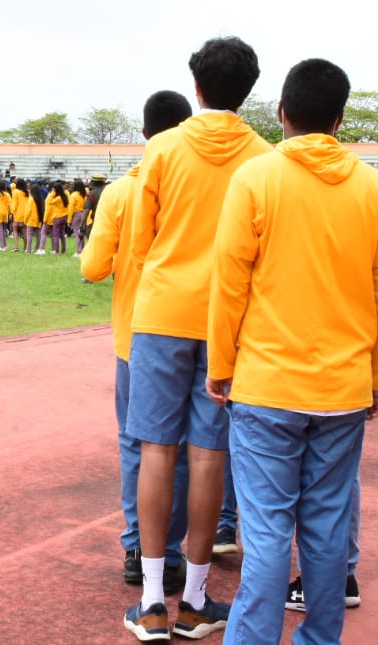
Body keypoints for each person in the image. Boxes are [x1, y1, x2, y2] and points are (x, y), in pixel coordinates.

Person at [208, 59, 378, 645]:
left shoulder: (256, 178)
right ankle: (320, 636)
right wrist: (375, 379)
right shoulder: (375, 189)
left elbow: (230, 281)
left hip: (267, 383)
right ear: (339, 118)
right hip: (342, 389)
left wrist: (220, 365)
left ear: (281, 112)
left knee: (267, 530)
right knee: (326, 525)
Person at [123, 36, 271, 641]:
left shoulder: (162, 148)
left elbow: (140, 244)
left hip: (162, 310)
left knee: (156, 449)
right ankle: (195, 599)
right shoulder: (263, 157)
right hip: (227, 319)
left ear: (197, 86)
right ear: (249, 90)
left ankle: (151, 601)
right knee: (211, 455)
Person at [82, 89, 193, 599]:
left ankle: (139, 548)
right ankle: (180, 547)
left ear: (145, 134)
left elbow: (93, 267)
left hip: (138, 333)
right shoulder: (207, 184)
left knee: (139, 443)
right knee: (195, 446)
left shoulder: (124, 190)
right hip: (202, 327)